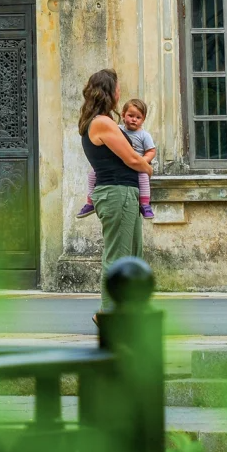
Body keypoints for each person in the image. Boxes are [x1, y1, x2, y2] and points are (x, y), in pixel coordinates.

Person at [78, 67, 151, 306]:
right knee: (118, 259)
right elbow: (132, 159)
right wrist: (148, 168)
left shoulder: (99, 121)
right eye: (118, 88)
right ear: (109, 92)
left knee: (132, 257)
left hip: (124, 192)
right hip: (117, 192)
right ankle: (108, 313)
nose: (120, 92)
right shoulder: (103, 123)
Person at [77, 96, 156, 219]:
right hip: (118, 163)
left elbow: (151, 151)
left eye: (138, 117)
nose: (134, 119)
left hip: (135, 165)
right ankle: (90, 201)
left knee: (143, 177)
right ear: (123, 115)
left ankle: (145, 204)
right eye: (131, 116)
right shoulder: (117, 129)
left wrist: (143, 161)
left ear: (143, 119)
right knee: (92, 174)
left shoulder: (144, 135)